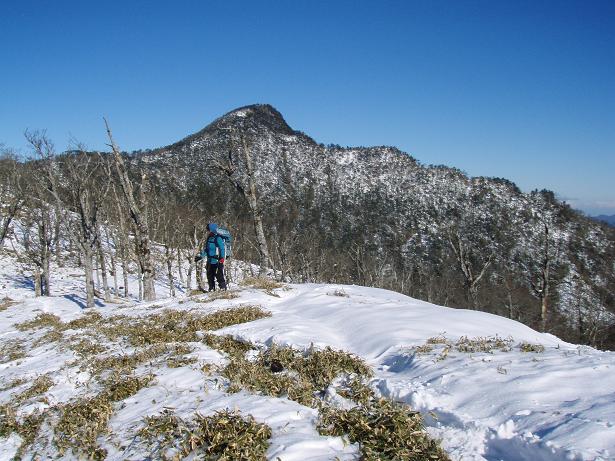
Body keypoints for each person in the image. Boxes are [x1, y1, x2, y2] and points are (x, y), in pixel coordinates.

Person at [197, 222, 227, 291]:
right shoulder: (209, 238)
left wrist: (222, 258)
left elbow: (222, 248)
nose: (207, 231)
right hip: (210, 260)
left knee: (219, 275)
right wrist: (201, 256)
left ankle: (223, 289)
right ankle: (211, 289)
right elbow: (207, 249)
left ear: (212, 229)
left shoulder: (218, 238)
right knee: (210, 276)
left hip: (217, 260)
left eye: (208, 230)